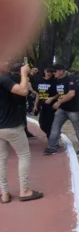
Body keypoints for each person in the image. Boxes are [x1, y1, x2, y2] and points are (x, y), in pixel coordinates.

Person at [0, 64, 43, 203]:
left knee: (1, 159)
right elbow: (24, 91)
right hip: (11, 125)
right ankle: (24, 190)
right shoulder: (4, 79)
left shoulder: (6, 79)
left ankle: (5, 193)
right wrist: (24, 73)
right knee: (24, 155)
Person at [44, 64, 79, 155]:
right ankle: (52, 147)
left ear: (61, 71)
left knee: (78, 128)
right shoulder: (58, 80)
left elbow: (71, 94)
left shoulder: (70, 80)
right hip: (62, 109)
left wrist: (59, 102)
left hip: (73, 110)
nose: (53, 73)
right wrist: (52, 98)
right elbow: (60, 93)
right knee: (55, 126)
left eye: (55, 71)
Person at [9, 64, 36, 138]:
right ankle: (22, 134)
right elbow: (26, 90)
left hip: (10, 102)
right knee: (21, 120)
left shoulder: (7, 78)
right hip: (20, 102)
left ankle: (24, 133)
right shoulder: (22, 78)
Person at [34, 67, 58, 139]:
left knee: (50, 123)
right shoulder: (40, 80)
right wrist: (35, 105)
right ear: (44, 71)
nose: (49, 73)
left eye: (51, 72)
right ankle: (52, 135)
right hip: (42, 104)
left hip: (52, 105)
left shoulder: (55, 81)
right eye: (48, 71)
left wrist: (52, 98)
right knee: (42, 123)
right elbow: (38, 94)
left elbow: (59, 93)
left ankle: (52, 139)